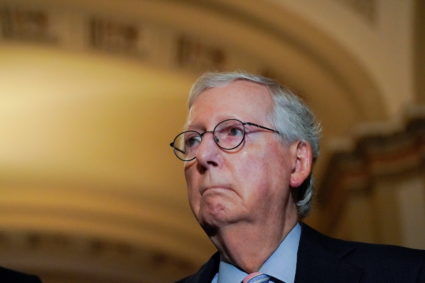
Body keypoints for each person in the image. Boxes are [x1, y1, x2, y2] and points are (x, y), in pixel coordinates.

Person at [170, 72, 425, 283]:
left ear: (297, 163)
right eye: (193, 139)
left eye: (233, 131)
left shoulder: (407, 275)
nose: (202, 155)